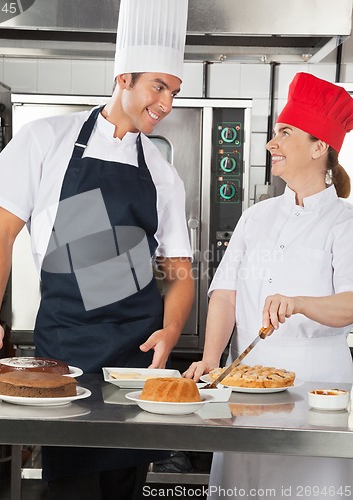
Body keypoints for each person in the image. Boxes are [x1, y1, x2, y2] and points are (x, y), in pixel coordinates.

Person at [0, 0, 193, 498]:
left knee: (124, 487)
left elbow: (178, 268)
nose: (167, 103)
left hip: (136, 359)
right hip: (66, 354)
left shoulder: (161, 173)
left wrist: (171, 330)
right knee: (70, 486)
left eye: (174, 92)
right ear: (123, 80)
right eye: (158, 86)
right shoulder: (47, 140)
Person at [184, 72, 353, 498]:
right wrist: (210, 360)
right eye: (274, 132)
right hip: (244, 382)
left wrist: (298, 302)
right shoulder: (256, 217)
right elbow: (225, 293)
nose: (270, 144)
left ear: (319, 147)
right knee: (245, 486)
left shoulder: (345, 222)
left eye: (285, 133)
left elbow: (351, 304)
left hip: (317, 388)